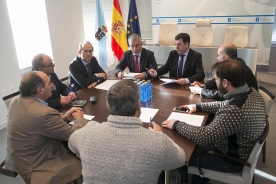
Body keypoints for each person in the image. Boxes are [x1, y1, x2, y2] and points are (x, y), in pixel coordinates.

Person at [162, 60, 266, 183]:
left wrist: (176, 124)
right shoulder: (250, 92)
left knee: (176, 154)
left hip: (230, 160)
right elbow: (225, 104)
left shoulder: (234, 110)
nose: (215, 82)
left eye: (216, 79)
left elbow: (203, 136)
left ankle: (199, 180)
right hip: (240, 150)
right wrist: (198, 106)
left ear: (225, 82)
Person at [68, 80, 185, 183]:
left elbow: (71, 143)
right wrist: (160, 135)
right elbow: (180, 159)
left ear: (108, 105)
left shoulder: (87, 132)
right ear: (139, 106)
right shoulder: (157, 141)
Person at [5, 71, 88, 184]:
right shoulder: (44, 113)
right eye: (49, 83)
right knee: (84, 162)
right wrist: (79, 119)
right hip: (36, 168)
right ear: (40, 90)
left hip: (17, 163)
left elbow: (34, 121)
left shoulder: (16, 101)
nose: (52, 85)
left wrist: (63, 117)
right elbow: (75, 135)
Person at [190, 42, 258, 100]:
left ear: (225, 57)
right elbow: (217, 79)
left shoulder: (237, 70)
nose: (217, 58)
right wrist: (203, 86)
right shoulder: (237, 64)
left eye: (218, 55)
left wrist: (201, 91)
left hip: (245, 104)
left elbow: (223, 96)